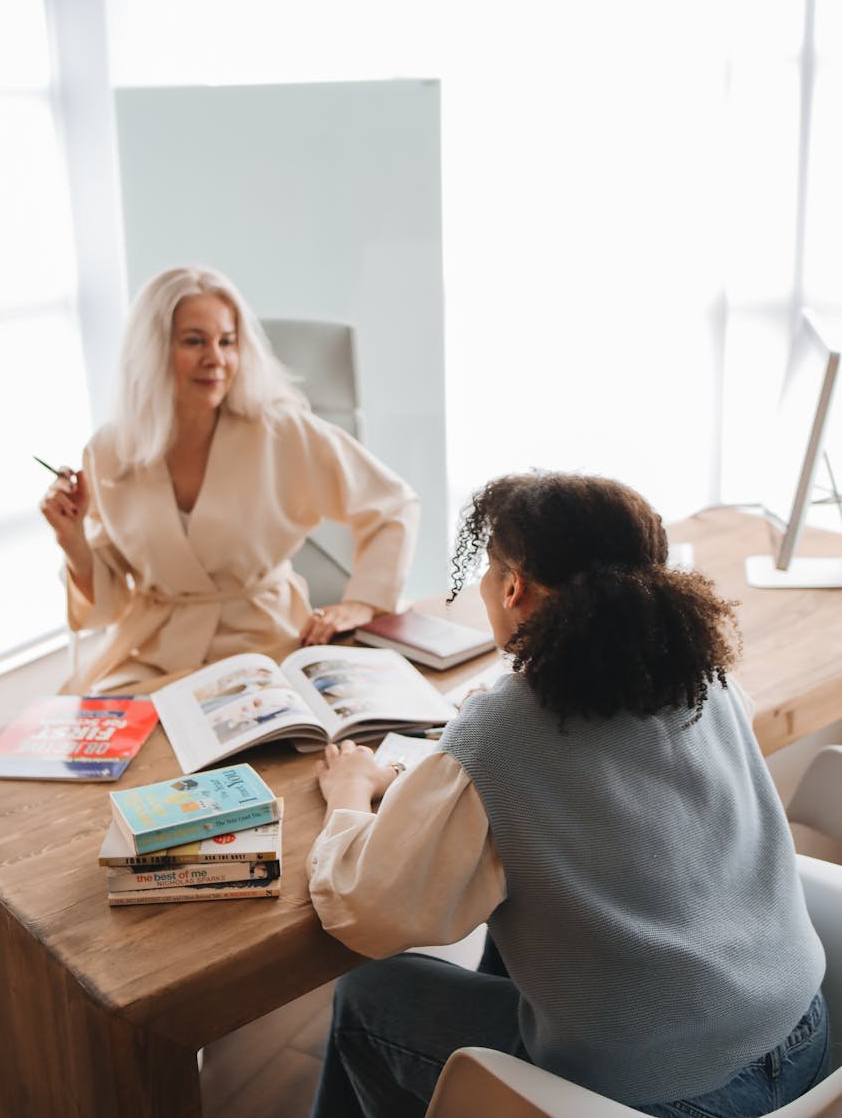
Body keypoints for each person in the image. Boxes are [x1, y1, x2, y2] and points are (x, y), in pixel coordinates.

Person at [306, 472, 829, 1118]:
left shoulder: (506, 727)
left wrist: (351, 797)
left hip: (663, 1098)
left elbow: (369, 907)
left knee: (368, 995)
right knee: (519, 906)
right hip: (803, 1034)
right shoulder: (701, 675)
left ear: (511, 587)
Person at [40, 265, 419, 690]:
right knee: (111, 748)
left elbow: (392, 506)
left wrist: (363, 603)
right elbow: (109, 606)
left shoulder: (281, 431)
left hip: (264, 646)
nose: (215, 359)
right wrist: (72, 541)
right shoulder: (109, 451)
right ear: (152, 349)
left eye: (227, 341)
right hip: (152, 653)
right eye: (194, 341)